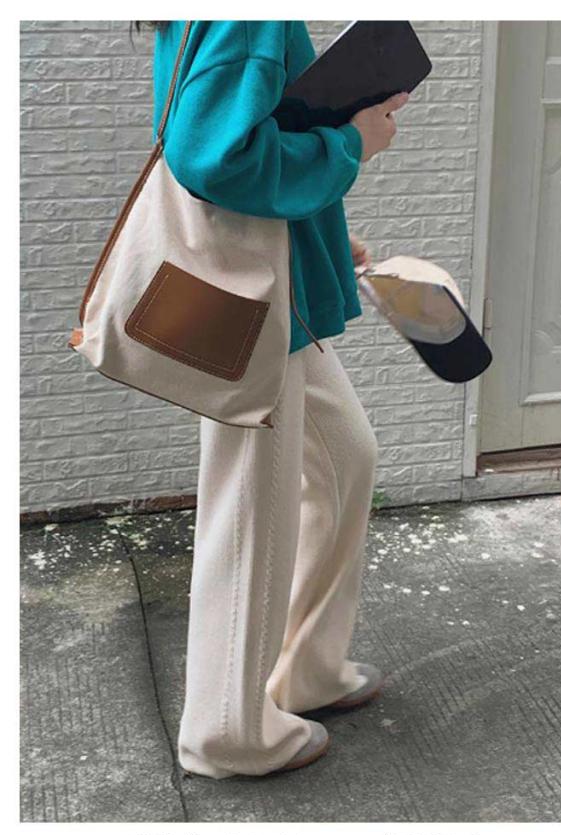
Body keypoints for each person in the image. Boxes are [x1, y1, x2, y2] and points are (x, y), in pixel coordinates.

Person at [148, 20, 409, 779]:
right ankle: (227, 731)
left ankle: (307, 670)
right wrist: (350, 144)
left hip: (274, 282)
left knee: (346, 459)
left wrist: (322, 229)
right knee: (253, 507)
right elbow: (213, 156)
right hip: (252, 303)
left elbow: (251, 129)